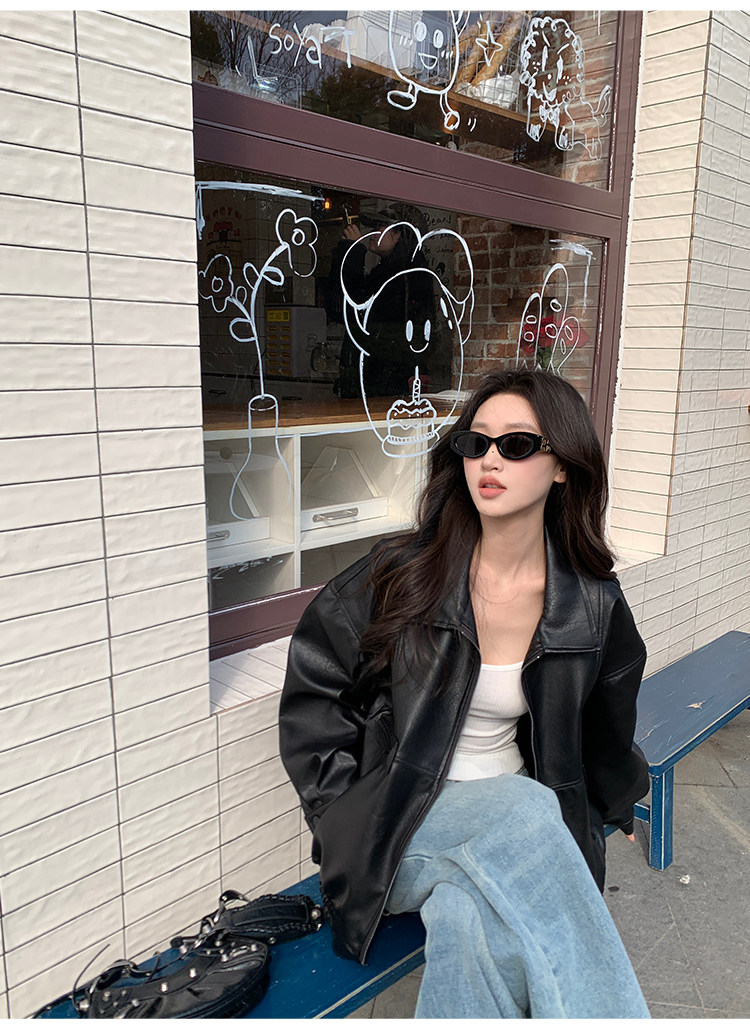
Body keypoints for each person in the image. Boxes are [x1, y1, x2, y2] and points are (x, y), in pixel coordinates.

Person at [278, 368, 650, 1018]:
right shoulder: (402, 573)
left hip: (516, 827)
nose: (489, 461)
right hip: (398, 823)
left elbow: (605, 738)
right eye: (476, 443)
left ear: (564, 467)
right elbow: (315, 688)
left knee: (468, 919)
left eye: (517, 445)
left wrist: (604, 815)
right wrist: (340, 810)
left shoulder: (591, 606)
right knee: (527, 811)